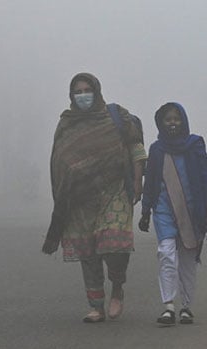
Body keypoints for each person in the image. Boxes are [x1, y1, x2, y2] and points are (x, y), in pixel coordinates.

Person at [42, 73, 147, 323]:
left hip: (115, 190)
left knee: (115, 245)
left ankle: (118, 287)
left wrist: (138, 180)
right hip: (80, 198)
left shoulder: (116, 116)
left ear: (97, 91)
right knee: (88, 252)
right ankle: (96, 306)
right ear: (71, 95)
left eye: (87, 90)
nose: (83, 95)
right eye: (77, 92)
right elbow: (60, 160)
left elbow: (136, 147)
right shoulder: (67, 124)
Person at [138, 103, 207, 325]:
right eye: (168, 119)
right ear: (161, 123)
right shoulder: (156, 150)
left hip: (193, 211)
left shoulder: (195, 145)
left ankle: (186, 306)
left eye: (176, 119)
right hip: (163, 209)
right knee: (166, 253)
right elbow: (150, 182)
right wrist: (145, 211)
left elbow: (206, 174)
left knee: (187, 259)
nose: (172, 123)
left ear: (183, 121)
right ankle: (168, 306)